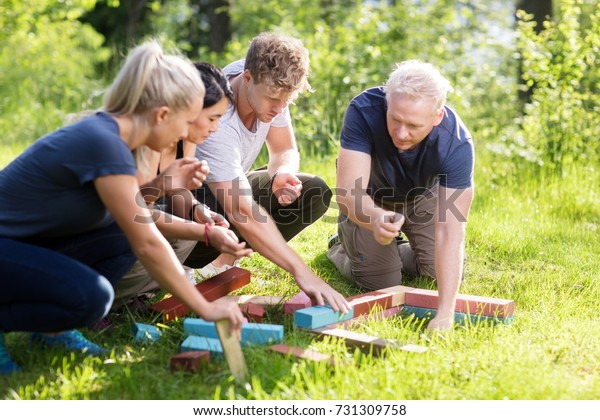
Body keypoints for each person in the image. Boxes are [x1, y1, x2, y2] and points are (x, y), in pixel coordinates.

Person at [0, 41, 244, 375]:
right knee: (91, 298)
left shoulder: (116, 141)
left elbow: (137, 220)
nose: (187, 133)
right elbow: (148, 242)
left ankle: (50, 332)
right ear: (161, 115)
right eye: (186, 122)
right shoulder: (103, 143)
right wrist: (203, 307)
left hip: (22, 246)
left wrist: (193, 218)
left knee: (120, 235)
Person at [185, 32, 350, 313]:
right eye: (273, 98)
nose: (279, 108)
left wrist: (282, 172)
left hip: (231, 188)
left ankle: (220, 264)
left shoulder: (272, 81)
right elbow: (242, 210)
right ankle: (190, 264)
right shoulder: (219, 121)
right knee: (238, 206)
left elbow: (284, 147)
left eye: (288, 99)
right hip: (189, 203)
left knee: (313, 192)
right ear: (246, 77)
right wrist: (303, 273)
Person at [327, 60, 474, 331]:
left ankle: (393, 250)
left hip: (422, 196)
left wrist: (445, 313)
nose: (401, 133)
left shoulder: (456, 143)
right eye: (395, 119)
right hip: (371, 198)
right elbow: (349, 192)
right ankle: (340, 246)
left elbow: (451, 231)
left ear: (437, 116)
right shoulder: (363, 110)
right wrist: (374, 219)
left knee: (438, 275)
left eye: (413, 125)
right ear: (387, 102)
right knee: (383, 285)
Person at [111, 62, 252, 309]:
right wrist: (205, 232)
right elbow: (134, 213)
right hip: (111, 234)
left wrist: (197, 210)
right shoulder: (144, 141)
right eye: (212, 118)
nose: (215, 128)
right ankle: (111, 297)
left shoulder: (182, 140)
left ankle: (130, 292)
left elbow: (177, 192)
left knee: (186, 231)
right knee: (182, 235)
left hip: (131, 226)